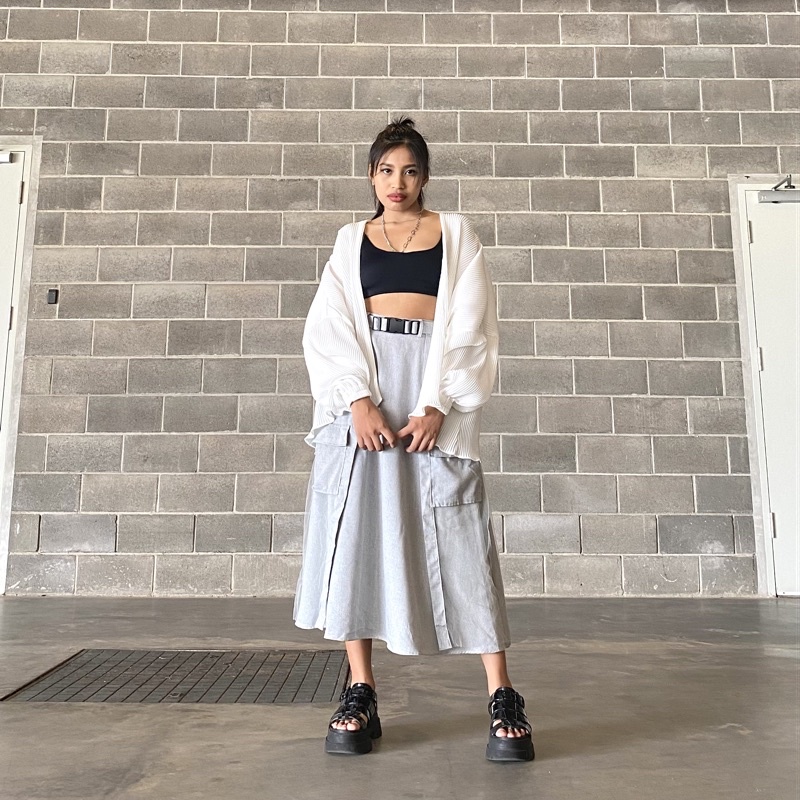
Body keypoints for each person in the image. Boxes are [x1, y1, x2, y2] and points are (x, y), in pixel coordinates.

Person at [293, 117, 534, 763]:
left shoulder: (455, 232)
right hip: (365, 398)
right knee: (356, 533)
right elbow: (329, 325)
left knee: (461, 535)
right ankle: (360, 689)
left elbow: (471, 321)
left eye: (408, 170)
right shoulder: (351, 239)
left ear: (424, 177)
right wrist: (356, 400)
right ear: (370, 176)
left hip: (431, 393)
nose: (396, 182)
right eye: (385, 170)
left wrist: (437, 405)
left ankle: (502, 693)